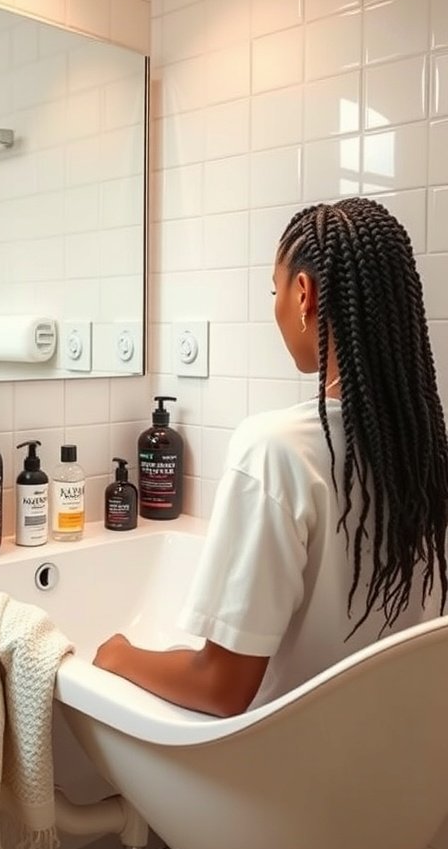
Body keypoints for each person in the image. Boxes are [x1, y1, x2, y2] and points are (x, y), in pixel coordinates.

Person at [94, 197, 448, 717]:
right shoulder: (426, 450)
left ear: (303, 294)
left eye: (273, 290)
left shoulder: (276, 450)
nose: (275, 306)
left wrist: (119, 655)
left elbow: (220, 689)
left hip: (287, 760)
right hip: (397, 751)